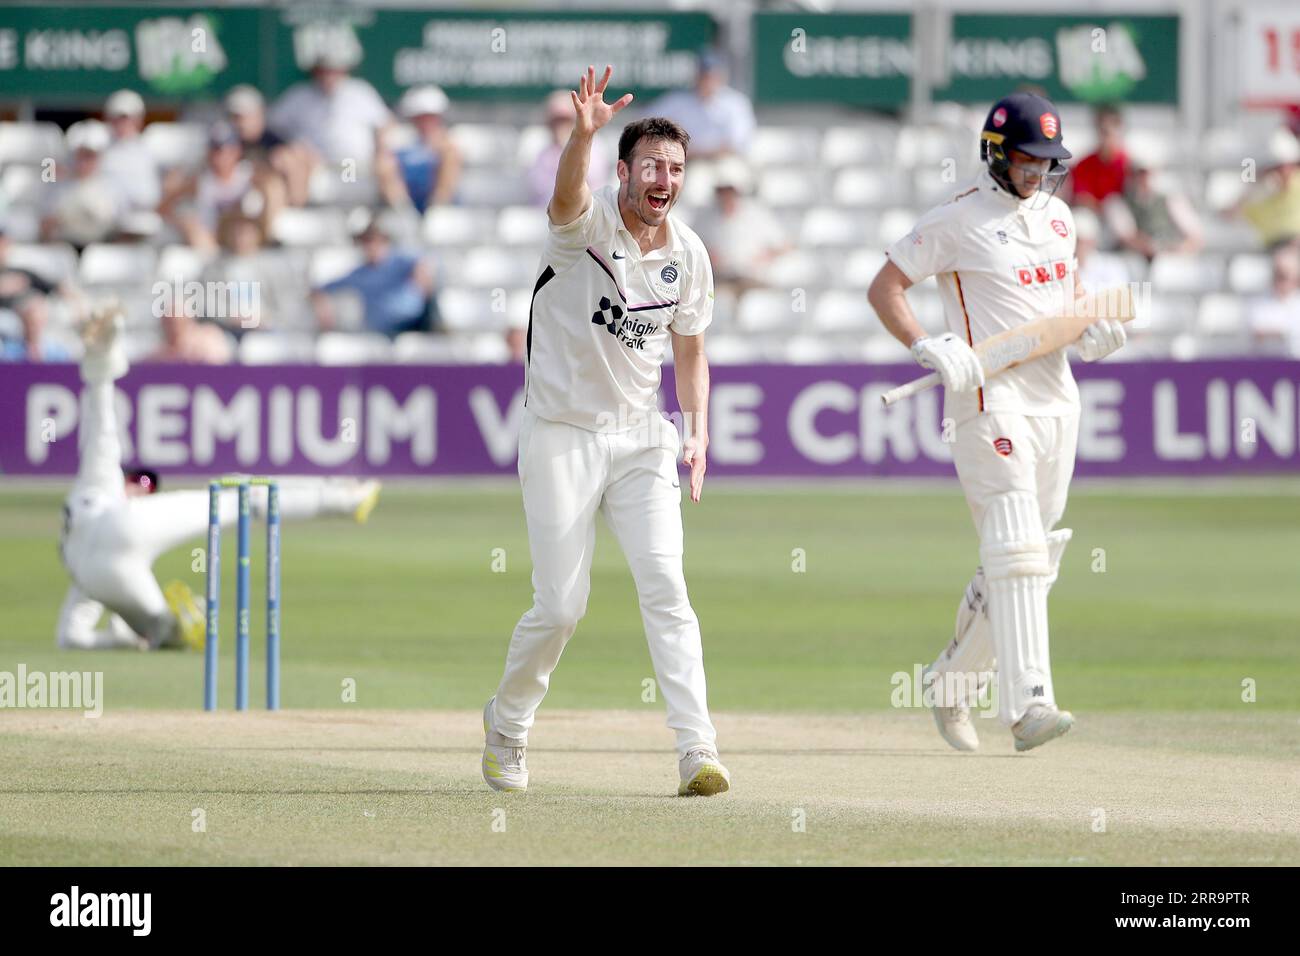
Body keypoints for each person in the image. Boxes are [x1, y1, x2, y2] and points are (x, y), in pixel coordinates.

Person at [483, 66, 727, 798]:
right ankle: (508, 723)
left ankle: (698, 751)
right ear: (623, 171)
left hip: (640, 437)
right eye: (652, 164)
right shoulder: (582, 228)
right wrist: (581, 134)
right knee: (561, 605)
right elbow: (565, 193)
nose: (665, 177)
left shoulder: (688, 255)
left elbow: (690, 351)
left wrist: (696, 431)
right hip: (560, 432)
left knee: (667, 588)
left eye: (676, 168)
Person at [867, 92, 1127, 753]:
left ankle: (953, 682)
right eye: (1026, 160)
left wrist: (1089, 327)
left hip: (1055, 401)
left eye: (1047, 161)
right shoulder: (957, 219)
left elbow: (1064, 302)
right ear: (995, 154)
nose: (1037, 173)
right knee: (1015, 547)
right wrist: (929, 344)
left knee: (1034, 558)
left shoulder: (1062, 219)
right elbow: (885, 288)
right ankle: (1029, 703)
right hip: (987, 400)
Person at [56, 302, 382, 650]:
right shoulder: (105, 486)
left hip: (95, 571)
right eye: (141, 482)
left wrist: (118, 640)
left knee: (163, 631)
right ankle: (343, 500)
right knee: (239, 497)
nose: (143, 488)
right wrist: (101, 363)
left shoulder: (84, 534)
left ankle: (168, 628)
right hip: (120, 532)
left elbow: (71, 637)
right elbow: (102, 429)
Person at [267, 49, 393, 198]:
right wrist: (297, 147)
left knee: (356, 187)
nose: (329, 76)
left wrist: (381, 152)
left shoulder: (359, 91)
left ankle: (401, 214)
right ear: (316, 72)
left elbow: (384, 124)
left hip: (350, 164)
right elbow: (273, 125)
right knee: (291, 163)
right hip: (316, 166)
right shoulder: (299, 95)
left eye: (334, 71)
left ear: (343, 71)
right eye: (324, 71)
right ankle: (298, 213)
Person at [158, 122, 283, 254]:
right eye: (216, 149)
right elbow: (163, 206)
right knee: (195, 231)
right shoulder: (200, 180)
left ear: (237, 151)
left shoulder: (248, 175)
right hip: (211, 238)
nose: (221, 156)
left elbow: (275, 187)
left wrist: (266, 225)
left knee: (245, 233)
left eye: (226, 149)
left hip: (240, 235)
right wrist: (183, 223)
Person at [310, 214, 435, 337]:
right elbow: (320, 289)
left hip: (416, 324)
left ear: (385, 240)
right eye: (367, 242)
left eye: (376, 240)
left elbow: (423, 265)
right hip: (383, 333)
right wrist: (322, 305)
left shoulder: (401, 260)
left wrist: (421, 277)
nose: (372, 246)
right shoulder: (358, 275)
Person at [691, 157, 790, 294]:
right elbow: (691, 248)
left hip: (753, 279)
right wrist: (707, 255)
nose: (726, 195)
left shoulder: (757, 214)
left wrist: (765, 256)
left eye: (729, 190)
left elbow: (784, 246)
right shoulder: (704, 217)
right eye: (722, 190)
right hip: (719, 280)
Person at [647, 50, 755, 159]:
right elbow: (647, 124)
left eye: (713, 75)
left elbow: (737, 143)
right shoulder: (678, 100)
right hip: (689, 161)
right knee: (696, 175)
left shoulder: (735, 102)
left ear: (723, 76)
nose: (708, 80)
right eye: (704, 75)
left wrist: (698, 151)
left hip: (727, 160)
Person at [377, 85, 462, 214]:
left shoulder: (448, 145)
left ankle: (437, 209)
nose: (426, 122)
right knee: (383, 162)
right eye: (421, 117)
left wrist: (438, 204)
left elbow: (451, 166)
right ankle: (402, 210)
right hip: (403, 203)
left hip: (440, 206)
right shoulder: (399, 140)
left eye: (431, 117)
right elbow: (384, 165)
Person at [40, 120, 124, 248]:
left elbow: (117, 227)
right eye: (81, 154)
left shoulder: (113, 185)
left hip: (102, 249)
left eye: (90, 155)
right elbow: (45, 228)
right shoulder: (56, 186)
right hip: (64, 249)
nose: (85, 161)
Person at [1105, 155, 1202, 262]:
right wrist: (1151, 248)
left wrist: (1175, 250)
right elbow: (1127, 238)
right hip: (1136, 261)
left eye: (1147, 173)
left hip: (1170, 259)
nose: (1144, 178)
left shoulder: (1172, 200)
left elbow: (1195, 237)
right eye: (1140, 173)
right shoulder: (1118, 203)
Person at [0, 223, 74, 362]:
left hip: (25, 335)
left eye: (4, 243)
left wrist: (78, 305)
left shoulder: (21, 273)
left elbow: (58, 288)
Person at [525, 90, 611, 206]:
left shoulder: (593, 147)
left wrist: (570, 148)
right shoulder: (542, 155)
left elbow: (591, 183)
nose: (560, 126)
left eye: (565, 120)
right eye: (556, 120)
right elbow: (539, 191)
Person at [1236, 128, 1300, 252]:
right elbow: (1232, 214)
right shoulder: (1261, 195)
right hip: (1280, 249)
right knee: (1285, 264)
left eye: (1286, 166)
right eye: (1276, 167)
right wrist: (1258, 189)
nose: (1283, 171)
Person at [100, 89, 161, 214]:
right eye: (117, 118)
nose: (123, 124)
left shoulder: (153, 147)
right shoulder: (97, 146)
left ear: (139, 119)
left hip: (145, 219)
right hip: (104, 222)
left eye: (127, 118)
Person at [1068, 104, 1128, 210]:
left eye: (1110, 132)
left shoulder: (1128, 164)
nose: (1106, 137)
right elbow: (1081, 197)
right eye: (1103, 131)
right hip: (1093, 214)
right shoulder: (1083, 165)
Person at [1247, 244, 1300, 355]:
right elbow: (1257, 332)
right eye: (1276, 274)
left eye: (1283, 275)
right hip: (1265, 366)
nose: (1278, 279)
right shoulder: (1257, 302)